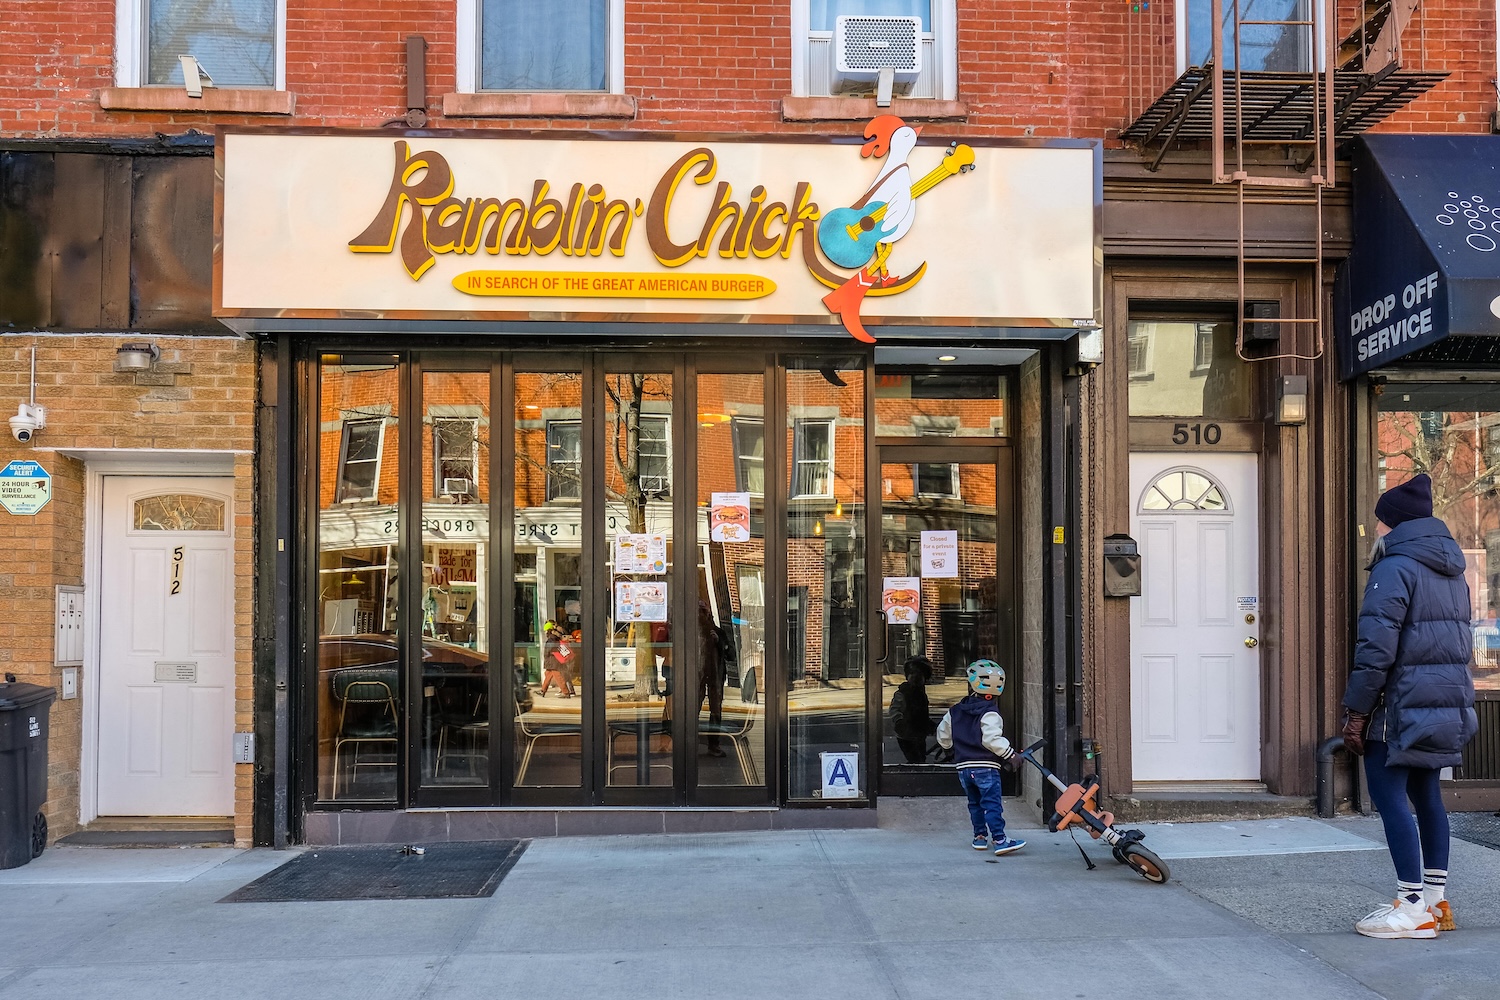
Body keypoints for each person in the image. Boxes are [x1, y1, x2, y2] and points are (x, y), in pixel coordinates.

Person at [1342, 473, 1478, 939]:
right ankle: (1436, 902)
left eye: (1380, 522)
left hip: (1398, 703)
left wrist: (1357, 711)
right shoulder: (1453, 569)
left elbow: (1375, 650)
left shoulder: (1394, 567)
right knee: (1427, 794)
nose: (1377, 530)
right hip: (1445, 700)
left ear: (1393, 525)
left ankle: (1412, 906)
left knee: (1387, 794)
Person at [937, 659, 1025, 856]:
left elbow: (942, 734)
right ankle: (1000, 840)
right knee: (991, 803)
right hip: (986, 767)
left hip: (964, 768)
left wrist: (950, 750)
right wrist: (1011, 755)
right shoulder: (990, 712)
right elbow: (991, 739)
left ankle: (979, 837)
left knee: (974, 803)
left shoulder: (955, 710)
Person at [889, 656, 936, 764]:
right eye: (912, 674)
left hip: (919, 734)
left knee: (920, 759)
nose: (916, 678)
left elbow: (922, 714)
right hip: (905, 734)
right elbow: (894, 709)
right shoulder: (903, 693)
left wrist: (930, 725)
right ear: (907, 676)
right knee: (915, 759)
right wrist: (899, 722)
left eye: (920, 675)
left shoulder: (921, 694)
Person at [697, 601, 727, 757]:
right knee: (693, 709)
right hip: (698, 676)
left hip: (715, 675)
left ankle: (713, 744)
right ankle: (689, 744)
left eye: (703, 611)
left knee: (715, 711)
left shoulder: (717, 632)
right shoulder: (690, 634)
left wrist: (719, 642)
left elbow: (731, 654)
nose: (702, 615)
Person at [539, 619, 576, 698]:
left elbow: (550, 650)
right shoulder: (554, 637)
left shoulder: (551, 639)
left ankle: (566, 693)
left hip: (553, 661)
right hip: (552, 661)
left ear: (548, 631)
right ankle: (542, 691)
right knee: (548, 675)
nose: (545, 632)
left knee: (558, 677)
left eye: (546, 631)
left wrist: (546, 654)